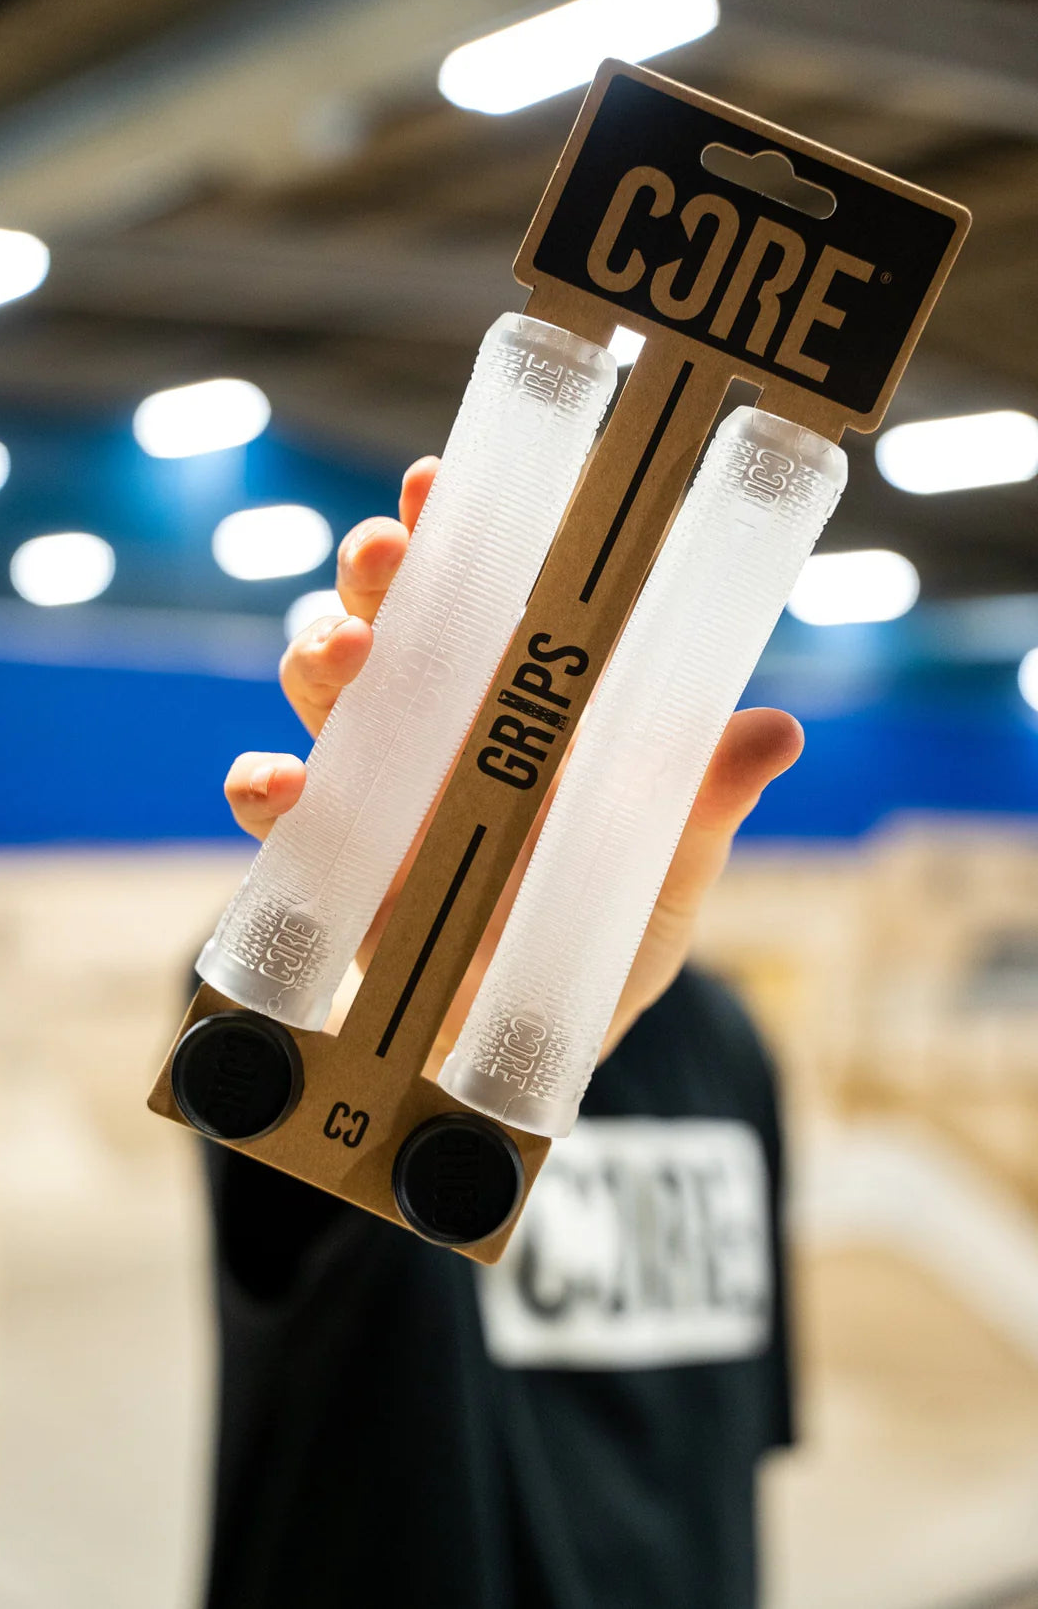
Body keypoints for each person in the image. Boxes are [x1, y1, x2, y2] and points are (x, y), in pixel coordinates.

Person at [199, 456, 804, 1609]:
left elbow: (727, 1438)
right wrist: (410, 1044)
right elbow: (301, 1315)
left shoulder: (729, 1042)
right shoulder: (298, 976)